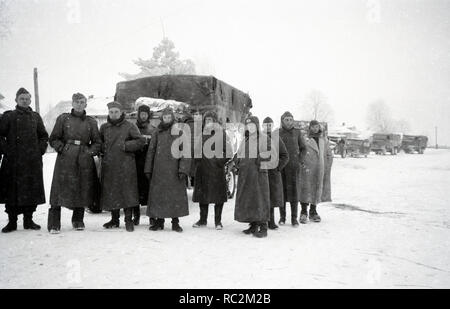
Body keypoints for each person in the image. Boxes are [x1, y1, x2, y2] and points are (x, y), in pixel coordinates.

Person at [47, 93, 102, 233]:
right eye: (77, 102)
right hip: (66, 157)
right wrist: (62, 148)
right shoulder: (63, 118)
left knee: (81, 187)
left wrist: (89, 152)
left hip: (84, 158)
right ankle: (54, 223)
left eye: (82, 102)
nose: (79, 104)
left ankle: (78, 220)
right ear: (72, 103)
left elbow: (97, 142)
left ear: (86, 104)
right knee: (59, 189)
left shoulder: (91, 122)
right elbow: (53, 138)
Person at [0, 88, 49, 233]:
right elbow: (0, 136)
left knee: (31, 190)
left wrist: (39, 150)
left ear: (30, 100)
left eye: (27, 99)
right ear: (16, 100)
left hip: (31, 162)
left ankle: (29, 220)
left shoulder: (35, 117)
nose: (25, 101)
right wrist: (6, 150)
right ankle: (12, 222)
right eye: (22, 98)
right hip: (13, 162)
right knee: (11, 192)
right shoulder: (8, 117)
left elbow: (43, 136)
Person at [99, 102, 145, 232]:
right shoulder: (104, 128)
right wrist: (104, 149)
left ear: (121, 112)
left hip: (126, 165)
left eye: (116, 112)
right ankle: (114, 220)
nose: (113, 114)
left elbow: (140, 141)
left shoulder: (129, 126)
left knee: (127, 192)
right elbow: (99, 143)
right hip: (110, 165)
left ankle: (128, 220)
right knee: (112, 191)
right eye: (111, 112)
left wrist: (126, 146)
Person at [144, 108, 190, 232]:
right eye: (165, 118)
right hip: (158, 171)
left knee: (175, 197)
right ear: (162, 119)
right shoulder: (157, 133)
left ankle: (175, 222)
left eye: (169, 118)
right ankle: (159, 222)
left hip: (174, 171)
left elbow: (185, 152)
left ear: (173, 119)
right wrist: (148, 169)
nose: (167, 120)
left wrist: (183, 169)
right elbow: (151, 151)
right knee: (159, 197)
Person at [234, 116, 278, 238]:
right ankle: (253, 225)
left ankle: (263, 227)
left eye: (253, 125)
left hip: (259, 175)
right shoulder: (245, 140)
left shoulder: (264, 138)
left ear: (257, 126)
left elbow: (272, 154)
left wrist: (260, 158)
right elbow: (239, 153)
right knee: (250, 199)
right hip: (246, 175)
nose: (250, 127)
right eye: (248, 125)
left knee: (261, 199)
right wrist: (237, 160)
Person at [192, 111, 233, 230]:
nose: (208, 122)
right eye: (206, 120)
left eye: (210, 120)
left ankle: (218, 221)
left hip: (216, 170)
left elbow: (229, 152)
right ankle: (202, 220)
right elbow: (196, 150)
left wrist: (218, 161)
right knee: (202, 196)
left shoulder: (221, 133)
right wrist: (198, 161)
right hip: (203, 169)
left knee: (218, 197)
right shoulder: (201, 134)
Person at [299, 120, 333, 223]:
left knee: (316, 189)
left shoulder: (324, 140)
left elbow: (329, 154)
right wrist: (302, 164)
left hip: (319, 170)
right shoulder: (305, 139)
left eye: (317, 126)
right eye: (313, 126)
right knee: (305, 190)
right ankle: (303, 212)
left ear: (319, 127)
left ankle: (313, 212)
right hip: (307, 170)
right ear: (310, 128)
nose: (315, 128)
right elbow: (299, 152)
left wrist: (327, 166)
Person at [277, 111, 306, 227]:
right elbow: (274, 148)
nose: (289, 122)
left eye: (290, 119)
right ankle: (282, 217)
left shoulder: (297, 133)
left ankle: (294, 219)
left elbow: (303, 148)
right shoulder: (277, 133)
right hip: (281, 167)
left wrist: (299, 160)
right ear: (282, 121)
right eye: (286, 120)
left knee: (294, 193)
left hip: (294, 168)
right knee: (282, 192)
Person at [262, 117, 289, 230]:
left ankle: (271, 221)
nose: (268, 127)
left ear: (272, 126)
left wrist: (278, 167)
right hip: (261, 172)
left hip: (273, 173)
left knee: (271, 197)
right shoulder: (259, 138)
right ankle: (260, 221)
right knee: (261, 197)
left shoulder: (277, 139)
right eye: (265, 125)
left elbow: (285, 156)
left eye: (270, 125)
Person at [133, 104, 156, 226]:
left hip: (148, 164)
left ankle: (151, 217)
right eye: (141, 114)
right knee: (135, 191)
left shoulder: (153, 129)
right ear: (138, 114)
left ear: (148, 115)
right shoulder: (132, 128)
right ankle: (135, 217)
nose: (143, 116)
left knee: (149, 192)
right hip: (135, 163)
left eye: (145, 114)